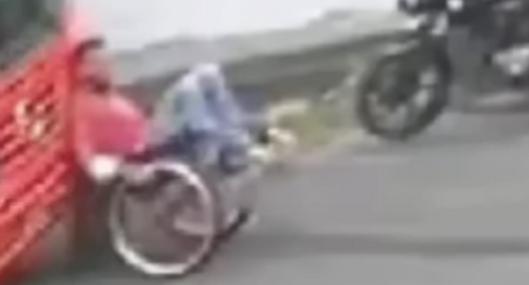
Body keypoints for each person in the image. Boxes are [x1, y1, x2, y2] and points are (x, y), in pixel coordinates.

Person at [150, 63, 251, 174]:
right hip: (171, 135)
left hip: (185, 127)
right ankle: (207, 169)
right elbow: (199, 125)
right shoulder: (189, 89)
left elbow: (224, 107)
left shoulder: (208, 84)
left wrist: (237, 128)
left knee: (224, 136)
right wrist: (229, 135)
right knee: (209, 142)